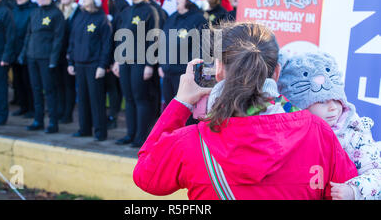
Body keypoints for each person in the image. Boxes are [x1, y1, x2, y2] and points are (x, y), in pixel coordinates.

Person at [133, 22, 358, 200]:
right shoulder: (317, 131)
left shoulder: (190, 142)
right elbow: (345, 189)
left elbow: (146, 176)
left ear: (219, 71)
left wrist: (181, 102)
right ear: (277, 73)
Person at [278, 51, 381, 200]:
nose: (333, 107)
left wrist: (353, 190)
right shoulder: (286, 134)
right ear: (301, 107)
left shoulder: (353, 134)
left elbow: (376, 172)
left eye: (336, 99)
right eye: (321, 101)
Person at [112, 0, 160, 148]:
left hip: (141, 61)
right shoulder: (126, 11)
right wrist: (117, 60)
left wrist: (149, 64)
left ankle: (141, 137)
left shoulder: (150, 11)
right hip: (125, 60)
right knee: (129, 98)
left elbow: (154, 39)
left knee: (140, 98)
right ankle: (130, 134)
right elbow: (119, 37)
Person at [67, 0, 113, 141]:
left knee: (96, 99)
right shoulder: (79, 15)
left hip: (94, 65)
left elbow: (107, 45)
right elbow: (72, 40)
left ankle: (100, 132)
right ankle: (84, 128)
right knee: (83, 98)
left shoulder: (102, 19)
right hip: (79, 63)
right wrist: (71, 61)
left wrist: (102, 65)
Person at [19, 0, 65, 133]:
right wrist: (24, 53)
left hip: (46, 58)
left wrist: (53, 60)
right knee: (36, 89)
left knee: (49, 90)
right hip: (32, 56)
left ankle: (52, 122)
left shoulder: (56, 14)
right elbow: (28, 34)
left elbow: (59, 39)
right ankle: (38, 120)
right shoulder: (34, 12)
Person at [159, 0, 208, 107]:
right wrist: (161, 64)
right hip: (167, 72)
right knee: (169, 108)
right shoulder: (173, 17)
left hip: (184, 75)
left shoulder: (199, 20)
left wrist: (190, 72)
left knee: (184, 110)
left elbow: (201, 50)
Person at [10, 0, 37, 118]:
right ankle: (23, 106)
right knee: (18, 80)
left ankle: (32, 108)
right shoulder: (14, 10)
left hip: (28, 51)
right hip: (15, 49)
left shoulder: (33, 10)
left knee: (28, 81)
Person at [56, 0, 80, 124]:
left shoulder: (76, 12)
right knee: (59, 84)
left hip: (69, 53)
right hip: (58, 52)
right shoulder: (58, 11)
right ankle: (60, 110)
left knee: (68, 84)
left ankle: (68, 113)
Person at [101, 0, 123, 129]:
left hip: (113, 56)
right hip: (104, 56)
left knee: (113, 89)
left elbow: (117, 37)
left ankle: (113, 116)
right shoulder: (101, 14)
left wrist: (114, 60)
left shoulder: (117, 12)